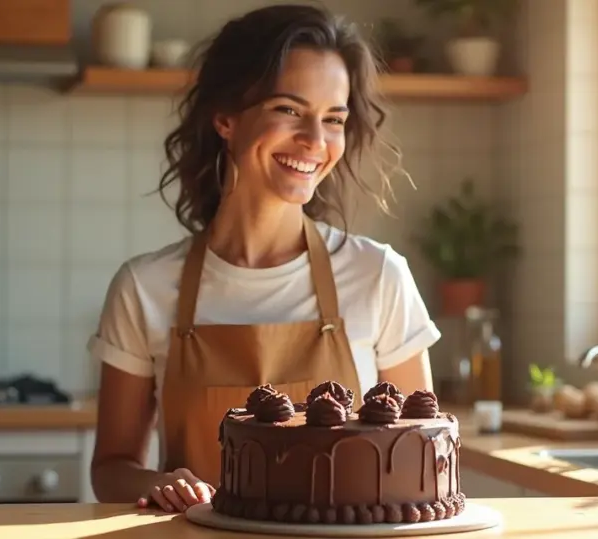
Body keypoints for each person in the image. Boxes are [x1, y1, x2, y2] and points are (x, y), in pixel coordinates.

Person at [87, 4, 441, 514]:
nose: (316, 141)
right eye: (289, 110)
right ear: (226, 117)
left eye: (334, 119)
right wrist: (160, 482)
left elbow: (419, 459)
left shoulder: (378, 275)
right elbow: (111, 469)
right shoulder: (143, 287)